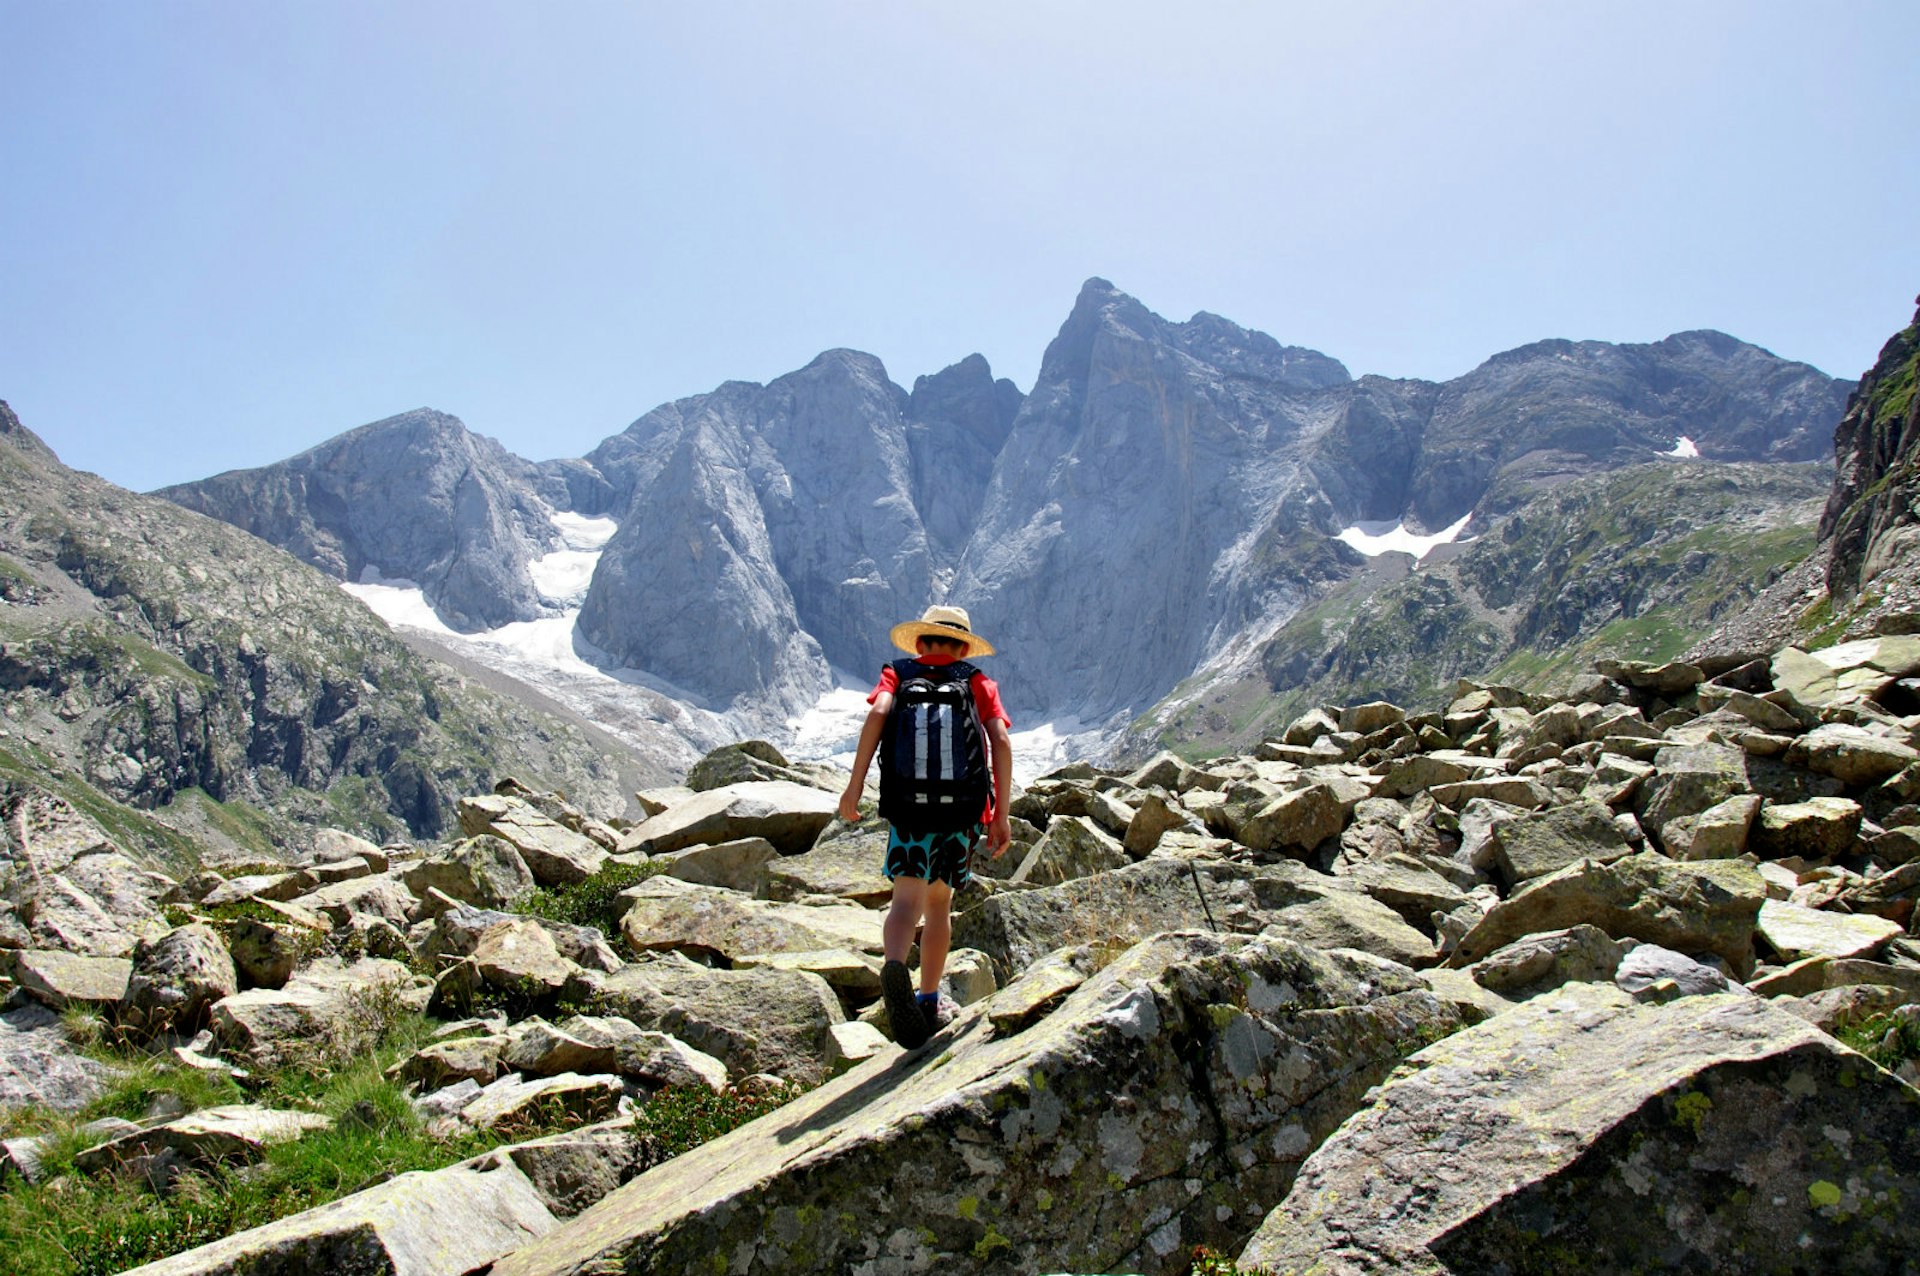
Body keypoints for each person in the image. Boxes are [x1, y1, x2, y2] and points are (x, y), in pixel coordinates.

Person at [838, 605, 1012, 1048]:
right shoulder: (976, 681)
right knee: (939, 904)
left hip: (909, 810)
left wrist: (854, 788)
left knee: (905, 900)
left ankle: (894, 965)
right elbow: (1001, 740)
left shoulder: (897, 673)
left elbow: (877, 715)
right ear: (963, 647)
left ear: (920, 642)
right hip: (960, 813)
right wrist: (1002, 813)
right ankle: (930, 999)